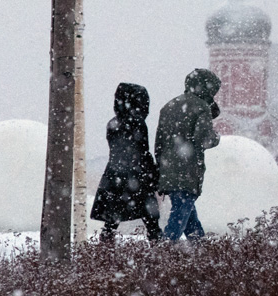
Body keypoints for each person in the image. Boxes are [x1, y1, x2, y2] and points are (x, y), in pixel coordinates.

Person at [154, 68, 221, 242]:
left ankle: (203, 253)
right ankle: (162, 254)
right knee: (178, 219)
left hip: (168, 171)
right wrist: (216, 138)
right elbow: (204, 139)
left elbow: (159, 143)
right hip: (188, 172)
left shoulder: (168, 107)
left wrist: (160, 168)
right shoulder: (201, 108)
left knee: (189, 220)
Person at [90, 83, 162, 242]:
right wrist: (154, 174)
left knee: (111, 221)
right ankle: (160, 254)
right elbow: (142, 152)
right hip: (136, 177)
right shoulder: (137, 122)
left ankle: (103, 254)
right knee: (151, 220)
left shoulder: (112, 123)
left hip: (114, 175)